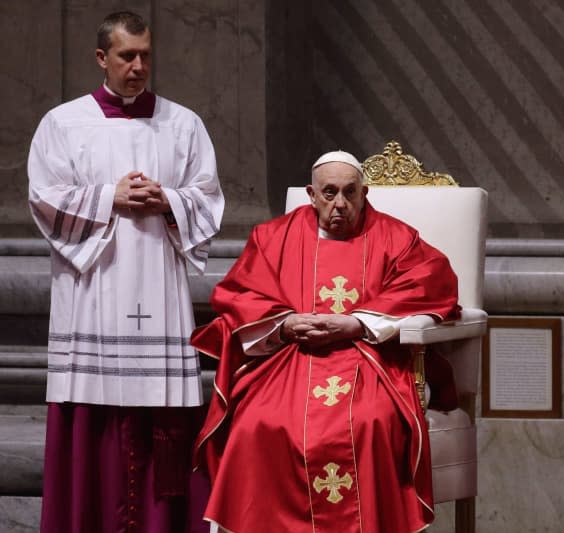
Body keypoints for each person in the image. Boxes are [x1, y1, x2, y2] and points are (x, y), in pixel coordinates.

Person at [191, 150, 460, 532]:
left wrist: (356, 323)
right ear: (311, 195)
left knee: (371, 422)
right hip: (290, 359)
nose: (340, 204)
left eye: (350, 193)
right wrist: (284, 325)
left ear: (365, 193)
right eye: (329, 193)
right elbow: (238, 295)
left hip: (368, 359)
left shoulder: (395, 237)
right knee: (256, 422)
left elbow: (434, 281)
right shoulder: (273, 237)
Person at [28, 11, 224, 533]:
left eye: (145, 56)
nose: (138, 67)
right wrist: (107, 196)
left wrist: (170, 200)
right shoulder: (63, 124)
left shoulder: (182, 124)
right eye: (126, 56)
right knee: (93, 416)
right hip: (93, 288)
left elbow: (207, 197)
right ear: (101, 59)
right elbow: (44, 196)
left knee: (160, 416)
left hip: (158, 293)